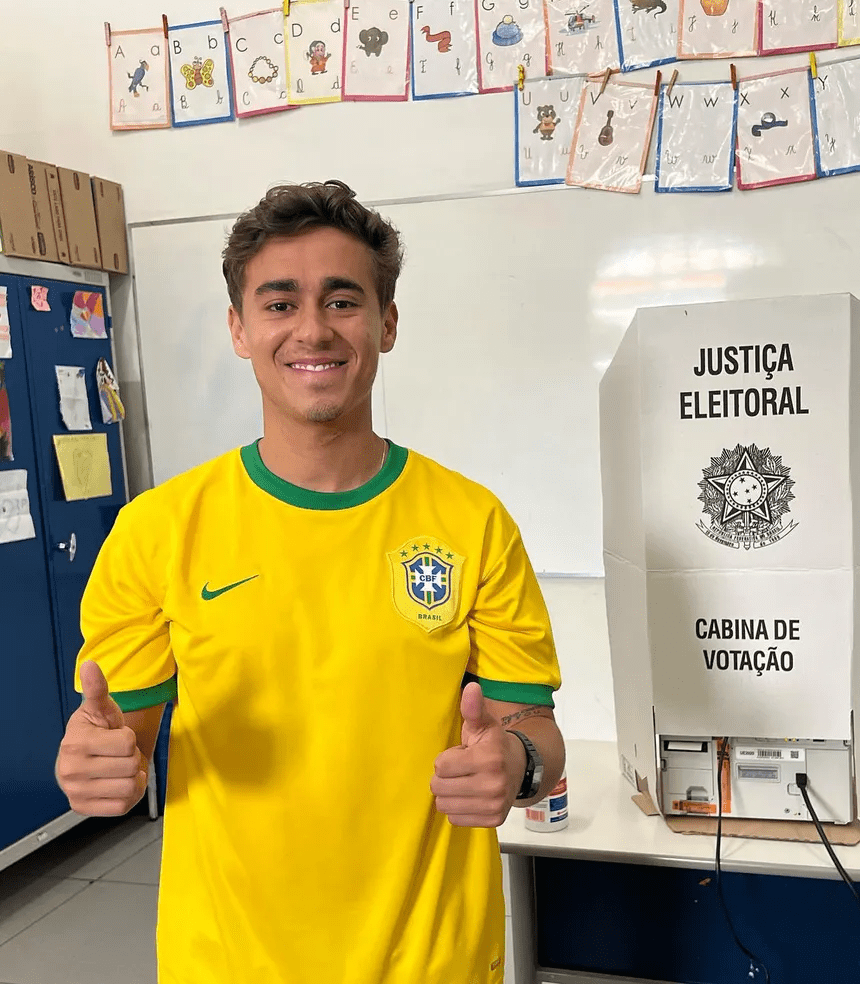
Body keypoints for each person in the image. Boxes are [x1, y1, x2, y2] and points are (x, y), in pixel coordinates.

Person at [54, 180, 565, 984]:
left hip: (431, 960)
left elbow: (533, 727)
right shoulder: (158, 530)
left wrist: (518, 762)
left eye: (343, 300)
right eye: (280, 303)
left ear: (386, 323)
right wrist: (101, 766)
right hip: (228, 961)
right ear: (240, 328)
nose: (313, 329)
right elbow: (124, 738)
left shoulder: (473, 522)